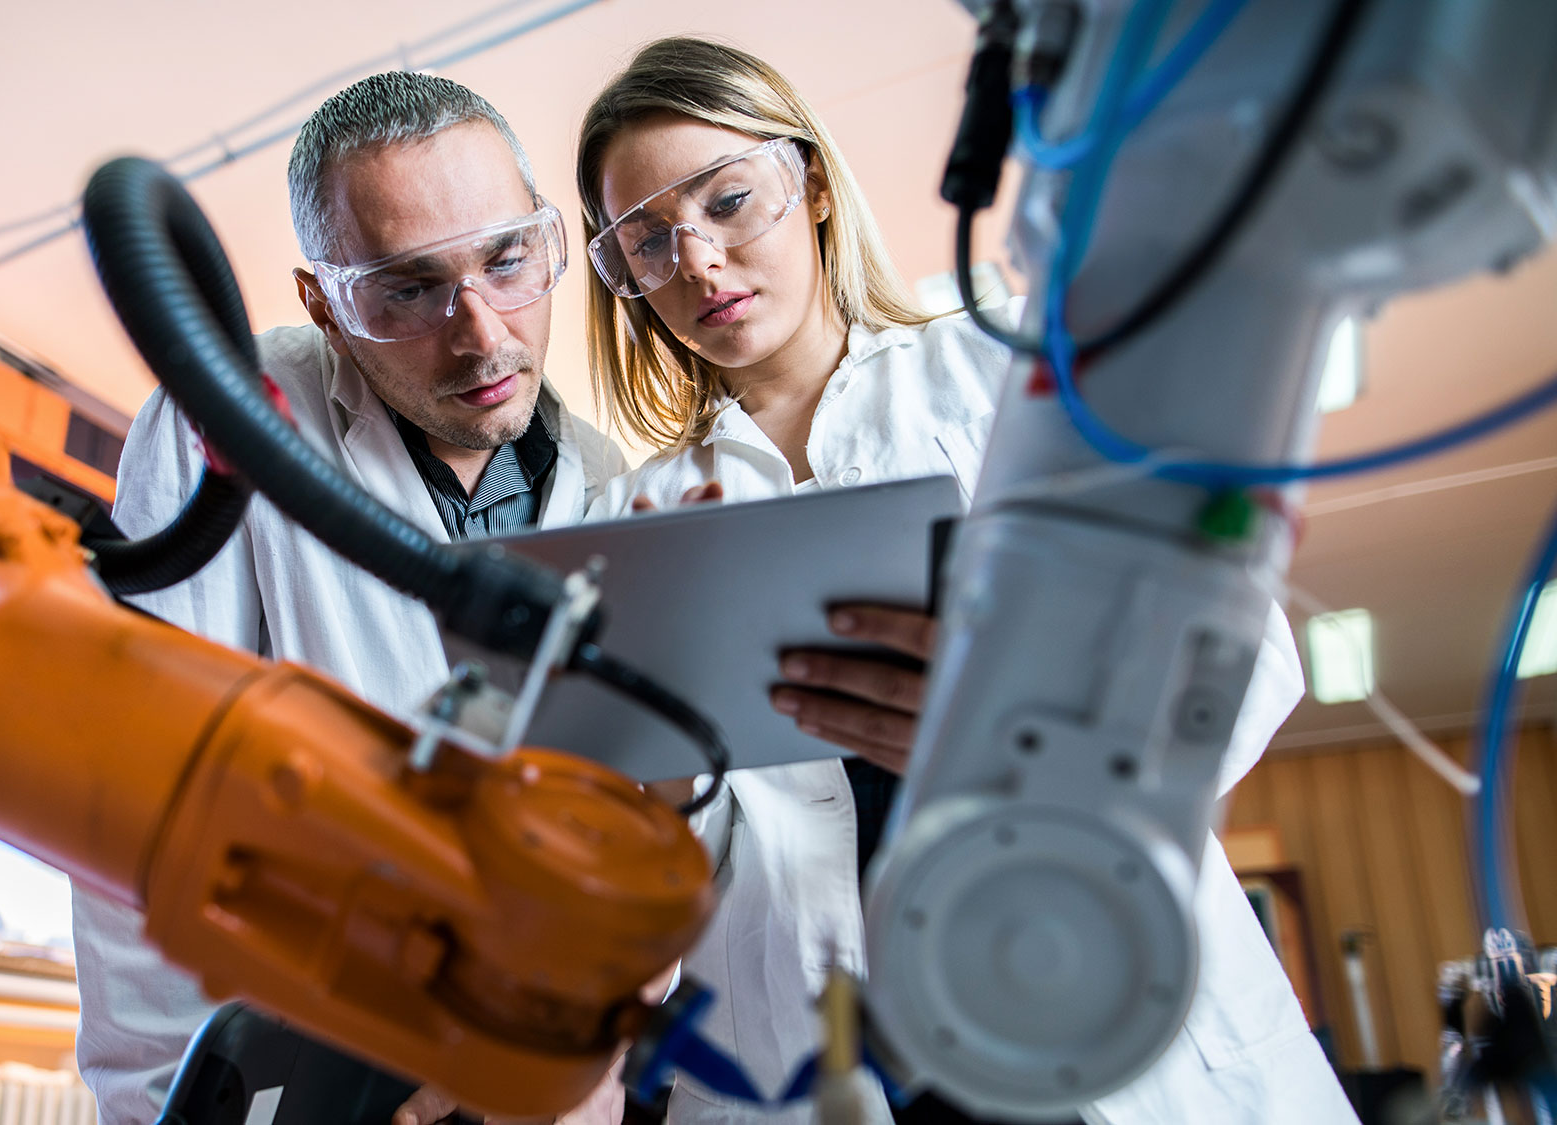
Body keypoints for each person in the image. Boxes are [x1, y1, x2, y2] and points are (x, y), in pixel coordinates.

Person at [575, 37, 1356, 1125]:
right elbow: (653, 860)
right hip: (828, 1059)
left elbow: (1242, 654)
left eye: (726, 200)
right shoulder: (630, 520)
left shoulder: (1006, 379)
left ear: (806, 186)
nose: (697, 261)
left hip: (1095, 992)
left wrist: (1023, 725)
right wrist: (641, 787)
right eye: (645, 240)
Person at [71, 71, 627, 1125]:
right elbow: (133, 788)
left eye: (507, 260)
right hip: (298, 1065)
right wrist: (169, 1103)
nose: (480, 335)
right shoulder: (227, 410)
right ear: (323, 301)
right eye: (406, 290)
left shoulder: (604, 477)